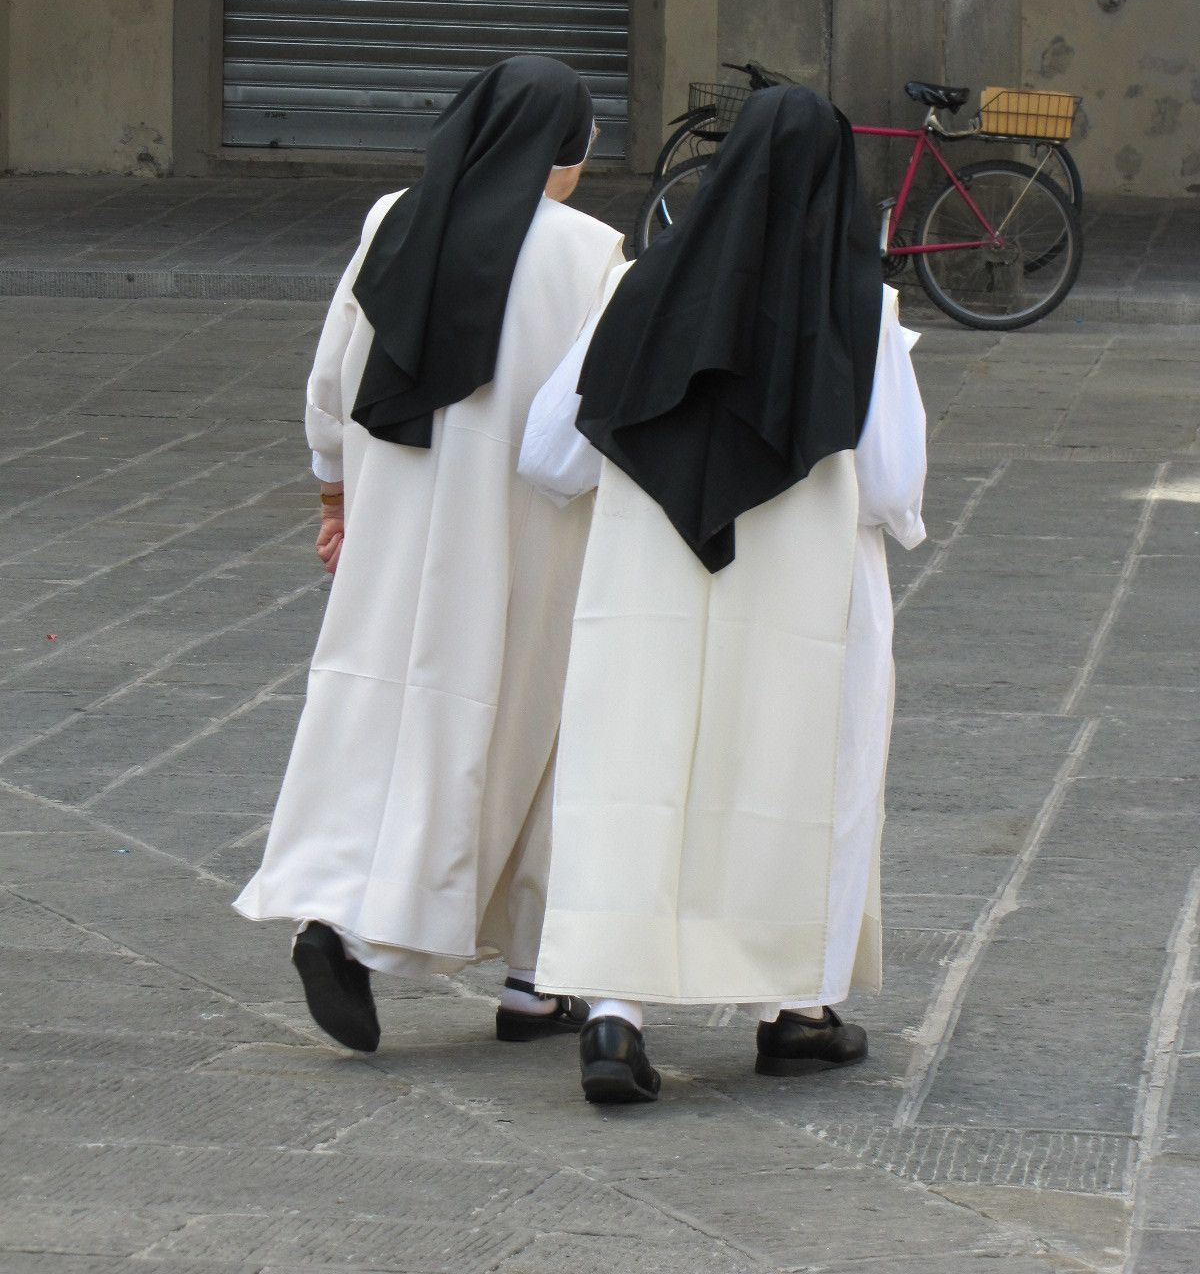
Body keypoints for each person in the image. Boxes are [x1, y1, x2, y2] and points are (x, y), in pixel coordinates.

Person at [517, 84, 927, 1104]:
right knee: (801, 786)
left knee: (633, 779)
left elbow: (550, 456)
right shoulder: (862, 313)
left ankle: (614, 1017)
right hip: (807, 602)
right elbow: (888, 489)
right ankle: (795, 1010)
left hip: (647, 594)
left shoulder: (635, 292)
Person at [235, 56, 624, 1053]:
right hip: (526, 534)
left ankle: (335, 912)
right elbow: (596, 412)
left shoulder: (394, 218)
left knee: (374, 712)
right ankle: (533, 977)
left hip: (395, 518)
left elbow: (334, 374)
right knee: (530, 734)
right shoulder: (590, 253)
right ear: (563, 147)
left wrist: (334, 494)